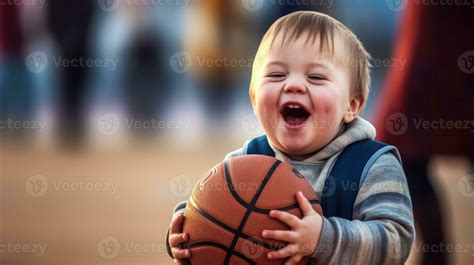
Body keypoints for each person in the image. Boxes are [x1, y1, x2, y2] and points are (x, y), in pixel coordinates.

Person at [167, 11, 415, 264]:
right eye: (276, 75)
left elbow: (396, 243)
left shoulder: (372, 166)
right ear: (254, 99)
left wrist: (324, 239)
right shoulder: (243, 165)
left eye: (316, 77)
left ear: (351, 106)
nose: (293, 85)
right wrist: (187, 232)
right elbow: (212, 213)